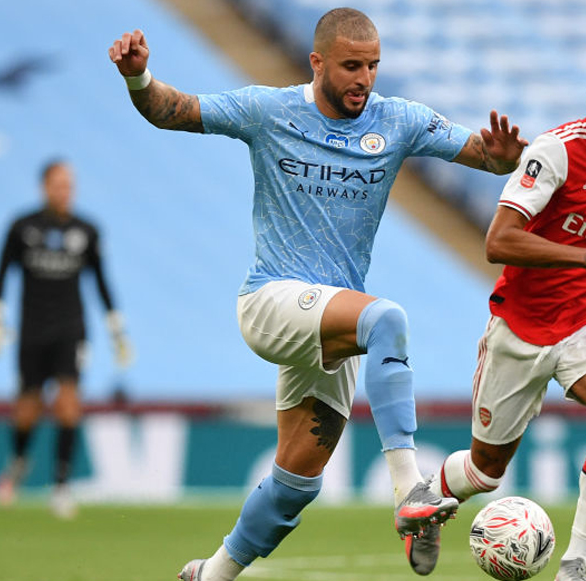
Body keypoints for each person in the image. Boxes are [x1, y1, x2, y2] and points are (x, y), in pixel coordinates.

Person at [108, 7, 526, 579]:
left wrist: (496, 159)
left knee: (297, 483)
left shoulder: (398, 120)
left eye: (373, 65)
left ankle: (211, 573)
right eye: (352, 65)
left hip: (332, 326)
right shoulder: (271, 110)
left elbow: (480, 150)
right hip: (272, 300)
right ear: (318, 62)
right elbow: (172, 110)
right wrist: (139, 77)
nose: (365, 78)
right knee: (387, 319)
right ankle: (411, 491)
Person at [427, 42, 586, 581]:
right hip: (522, 324)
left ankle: (575, 564)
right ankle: (429, 502)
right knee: (484, 471)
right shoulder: (556, 153)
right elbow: (498, 242)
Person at [0, 158, 133, 519]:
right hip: (32, 329)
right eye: (57, 184)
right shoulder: (22, 227)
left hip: (71, 328)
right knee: (27, 409)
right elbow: (1, 273)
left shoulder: (87, 230)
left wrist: (116, 329)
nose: (64, 191)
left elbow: (100, 281)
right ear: (44, 187)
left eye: (69, 185)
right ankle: (19, 460)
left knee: (68, 403)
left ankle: (61, 486)